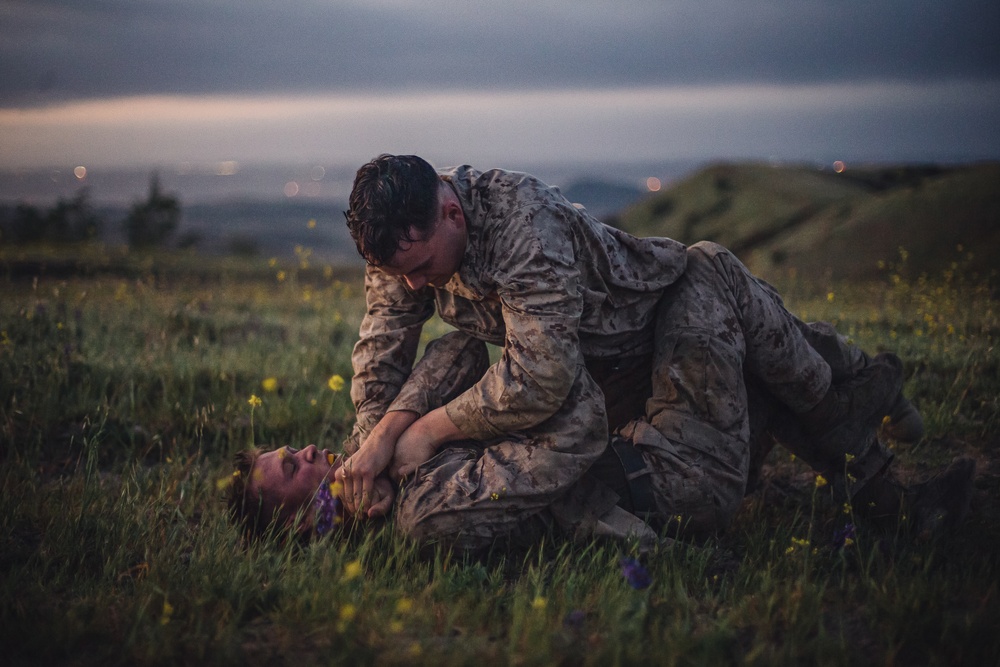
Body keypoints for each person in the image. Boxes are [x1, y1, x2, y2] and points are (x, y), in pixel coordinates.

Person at [229, 154, 974, 549]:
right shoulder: (400, 244)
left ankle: (868, 426)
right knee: (731, 425)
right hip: (599, 374)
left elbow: (541, 375)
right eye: (397, 273)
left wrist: (421, 430)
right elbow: (382, 356)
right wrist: (370, 449)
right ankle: (868, 415)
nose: (411, 285)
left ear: (451, 212)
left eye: (421, 268)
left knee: (769, 344)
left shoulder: (522, 226)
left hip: (661, 320)